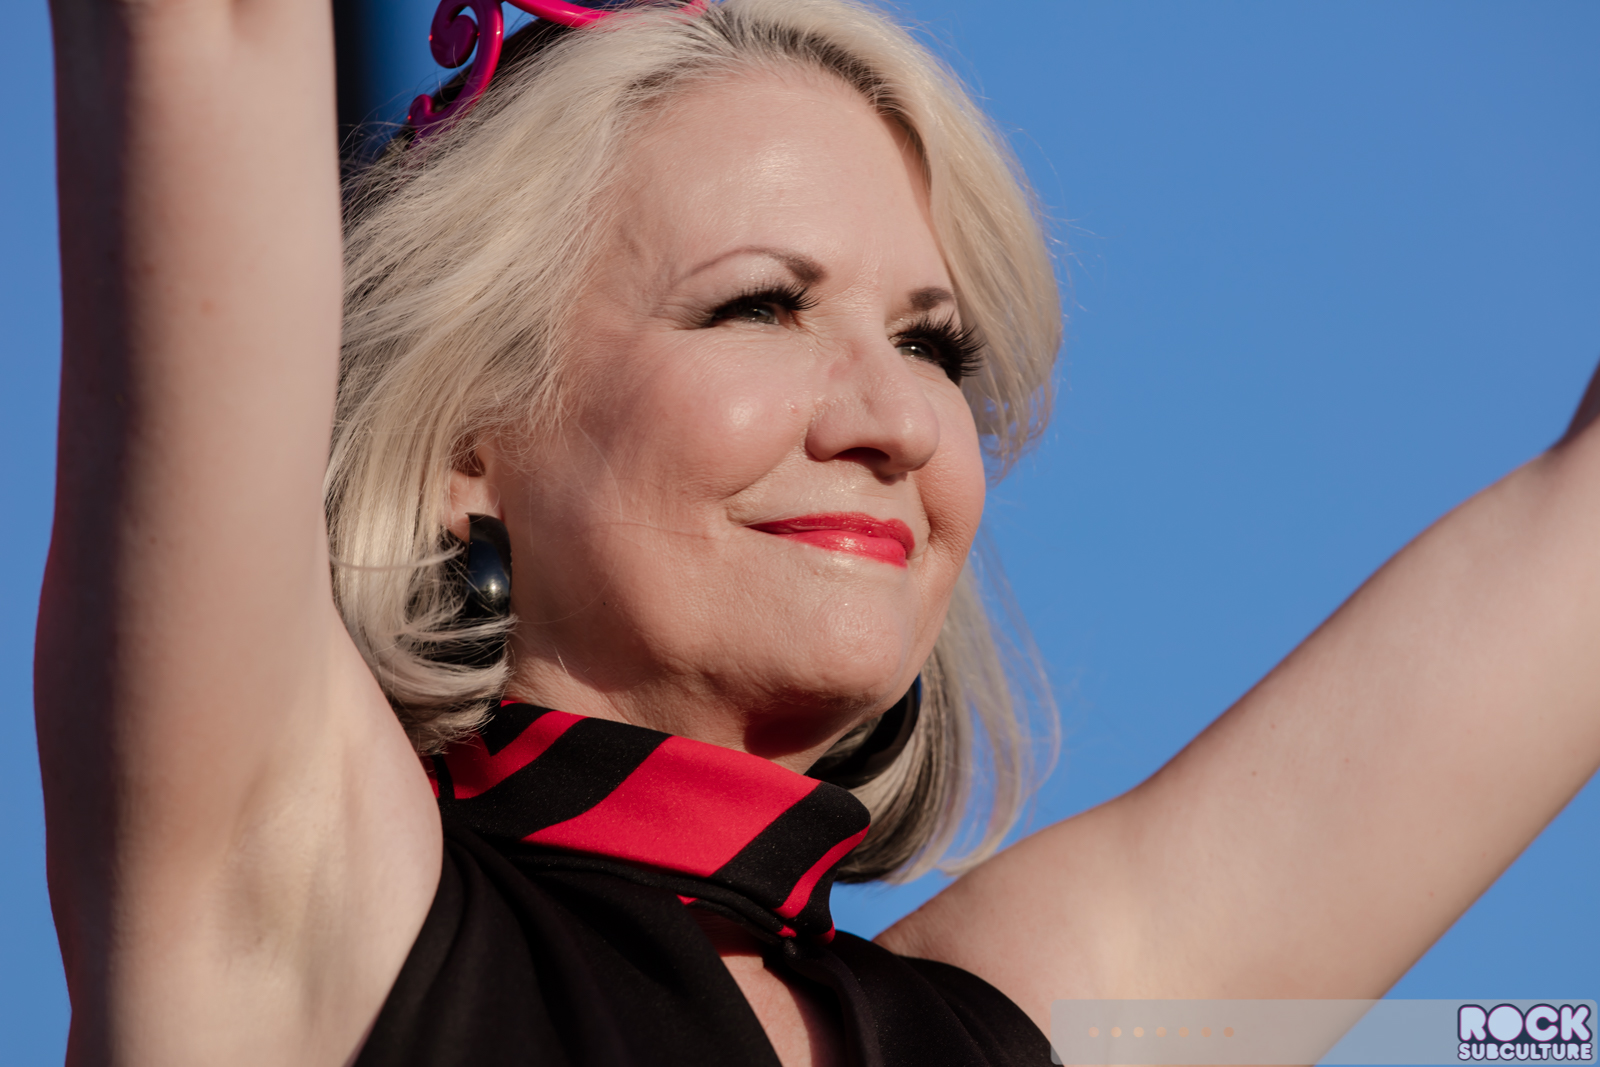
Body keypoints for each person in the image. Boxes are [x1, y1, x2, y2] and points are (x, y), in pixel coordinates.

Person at [35, 0, 1600, 1065]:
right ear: (466, 449)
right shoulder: (298, 900)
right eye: (760, 306)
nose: (896, 418)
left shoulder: (1025, 1024)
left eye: (931, 344)